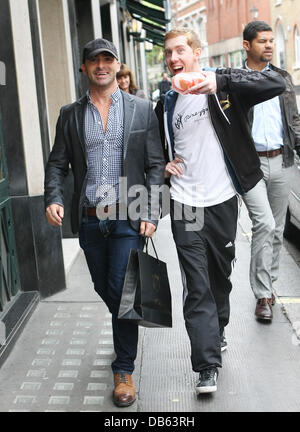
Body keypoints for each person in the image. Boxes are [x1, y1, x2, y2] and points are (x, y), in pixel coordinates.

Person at [155, 28, 285, 394]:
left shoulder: (224, 89)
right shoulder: (165, 104)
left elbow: (276, 81)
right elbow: (156, 151)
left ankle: (219, 327)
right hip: (185, 205)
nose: (173, 57)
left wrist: (219, 79)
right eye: (168, 52)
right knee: (196, 287)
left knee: (218, 280)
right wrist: (164, 165)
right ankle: (206, 365)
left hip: (222, 202)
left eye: (180, 49)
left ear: (196, 53)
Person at [44, 38, 165, 407]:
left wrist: (152, 210)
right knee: (108, 288)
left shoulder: (143, 109)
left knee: (120, 287)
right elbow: (57, 164)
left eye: (107, 59)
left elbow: (155, 165)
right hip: (91, 220)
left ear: (117, 64)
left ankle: (123, 369)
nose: (101, 65)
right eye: (93, 60)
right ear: (83, 67)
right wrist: (54, 197)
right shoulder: (69, 114)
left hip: (128, 215)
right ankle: (132, 316)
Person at [242, 21, 300, 322]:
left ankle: (269, 285)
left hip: (282, 160)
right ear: (247, 45)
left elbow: (294, 120)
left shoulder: (282, 78)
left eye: (270, 41)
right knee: (263, 225)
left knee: (277, 230)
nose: (268, 45)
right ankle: (262, 294)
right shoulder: (237, 80)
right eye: (262, 41)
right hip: (251, 165)